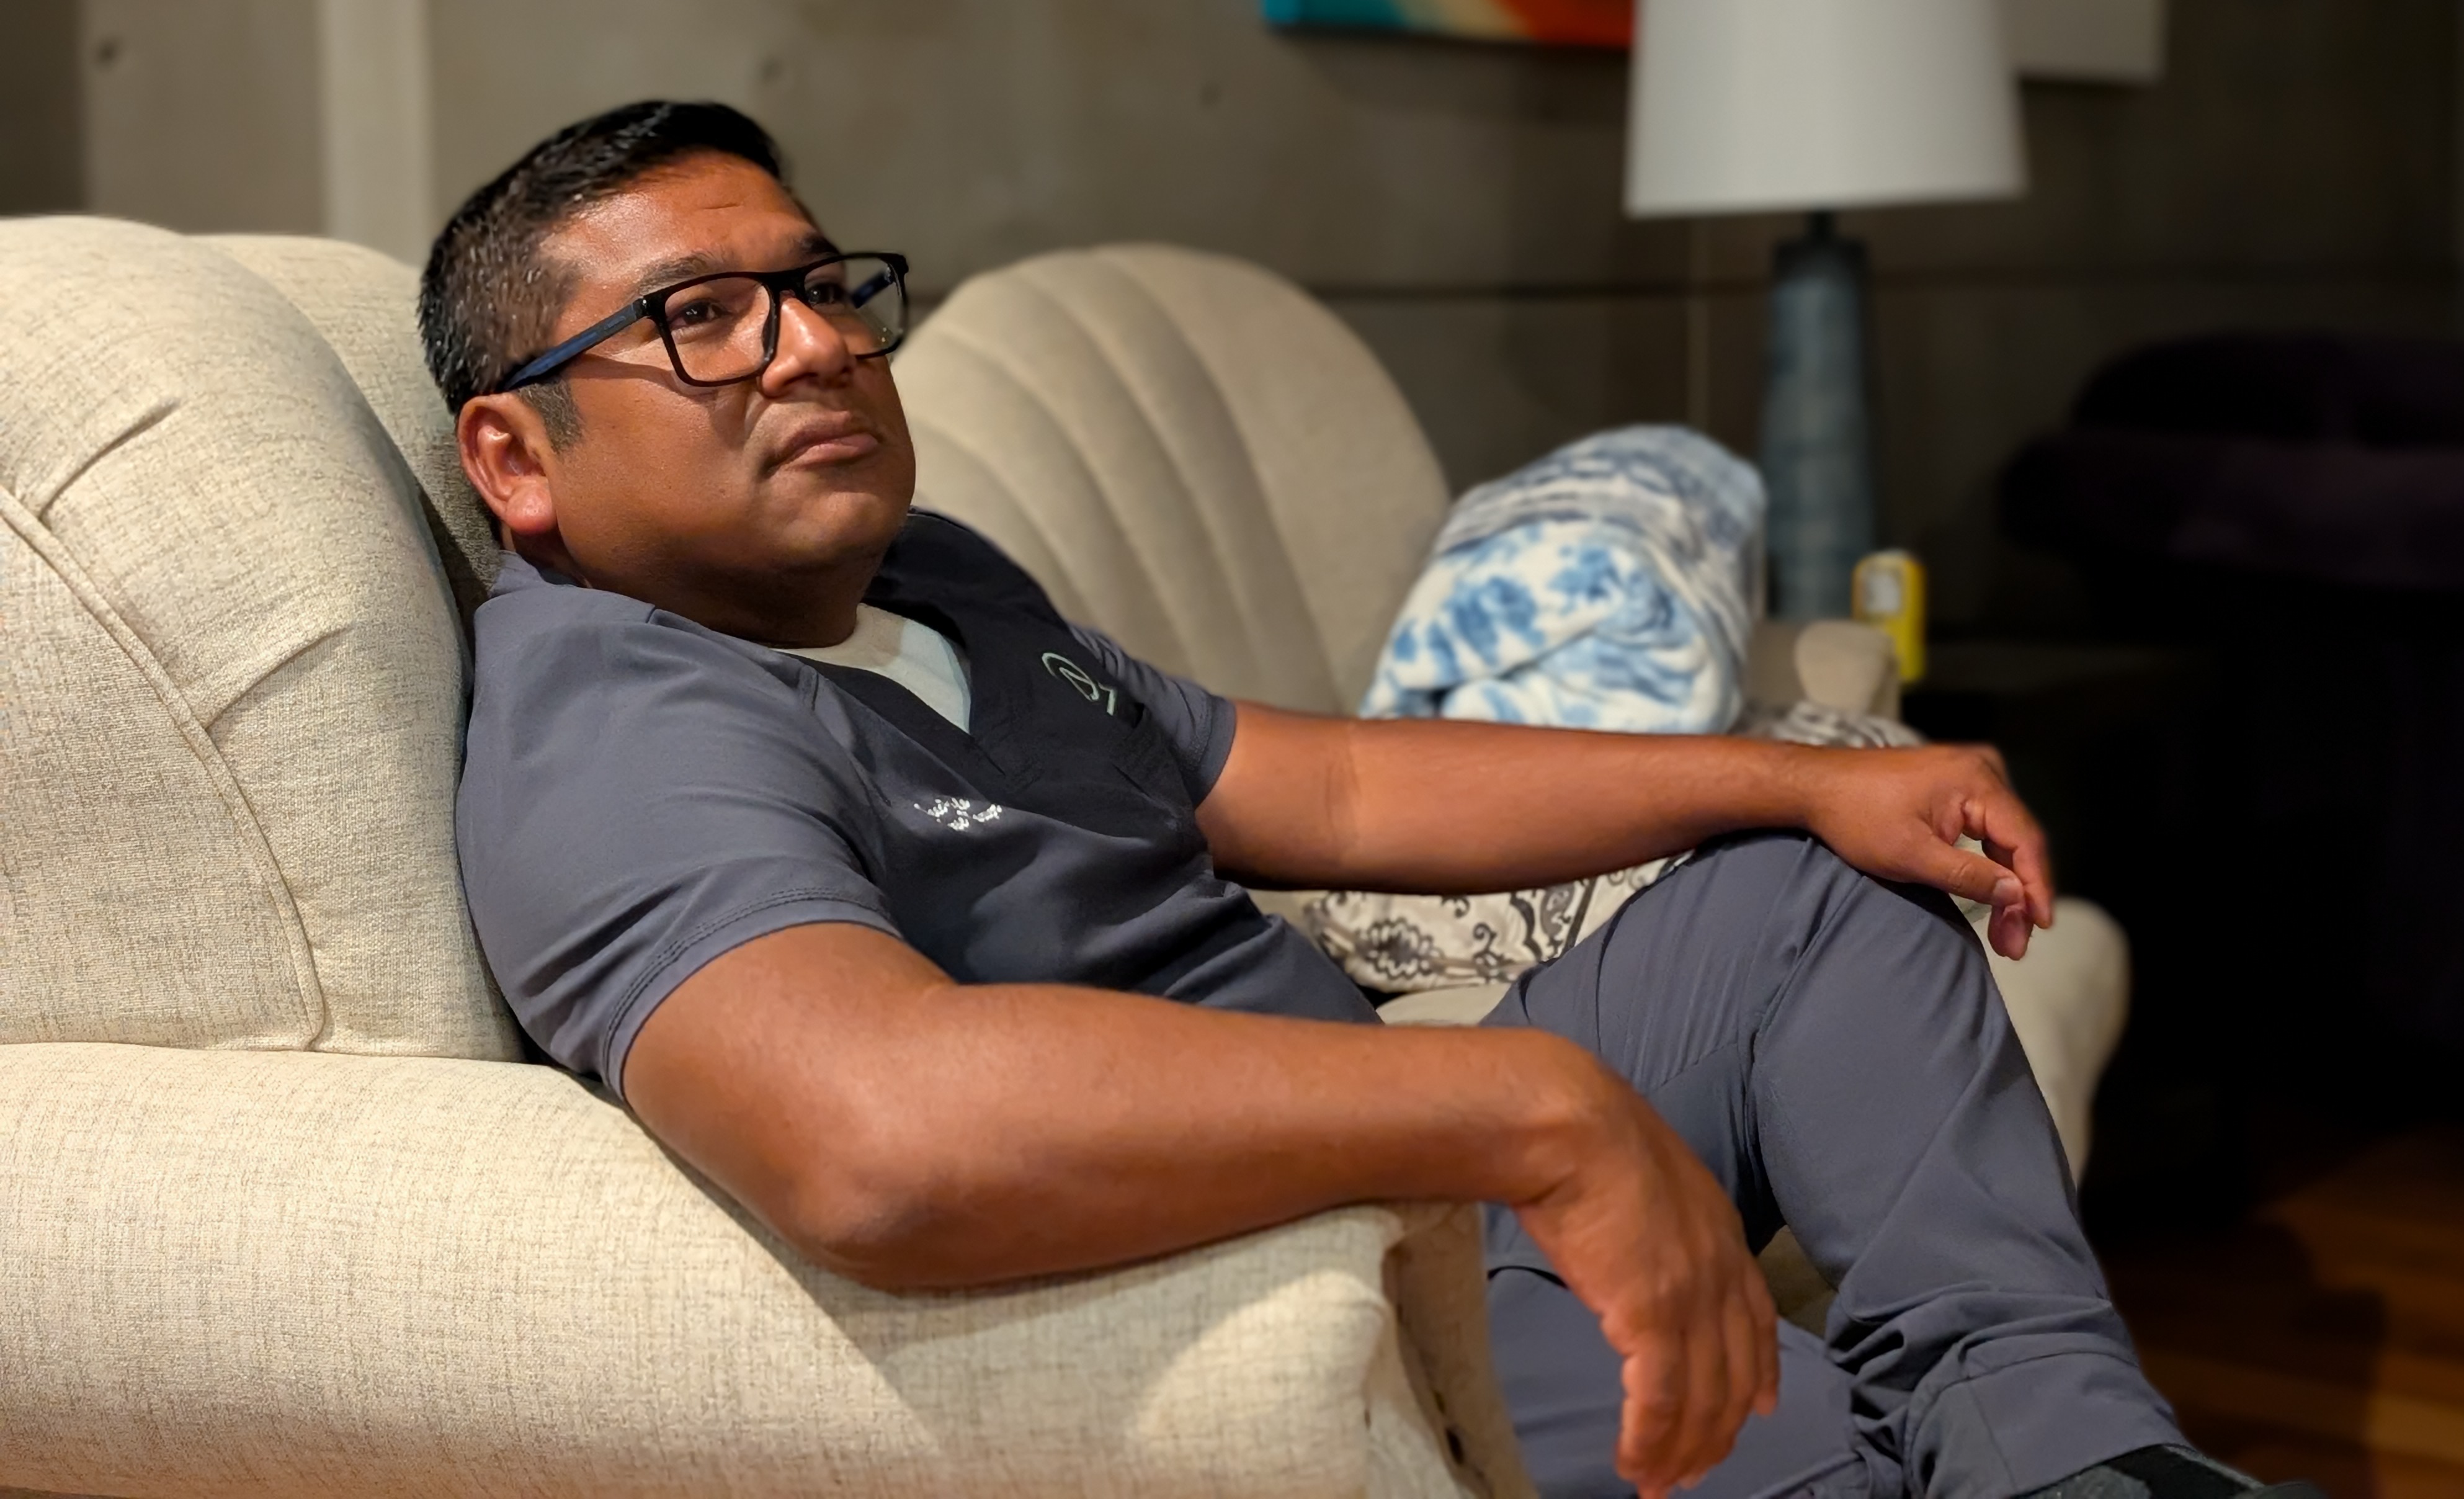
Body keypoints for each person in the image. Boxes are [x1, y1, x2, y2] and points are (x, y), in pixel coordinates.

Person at [425, 101, 2300, 1499]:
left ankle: (2070, 1456)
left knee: (1817, 882)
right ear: (516, 453)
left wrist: (1795, 778)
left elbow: (1316, 777)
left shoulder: (932, 578)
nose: (817, 344)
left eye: (821, 289)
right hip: (1308, 1273)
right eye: (702, 320)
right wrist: (1521, 1102)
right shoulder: (625, 725)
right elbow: (872, 1137)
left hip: (1425, 1161)